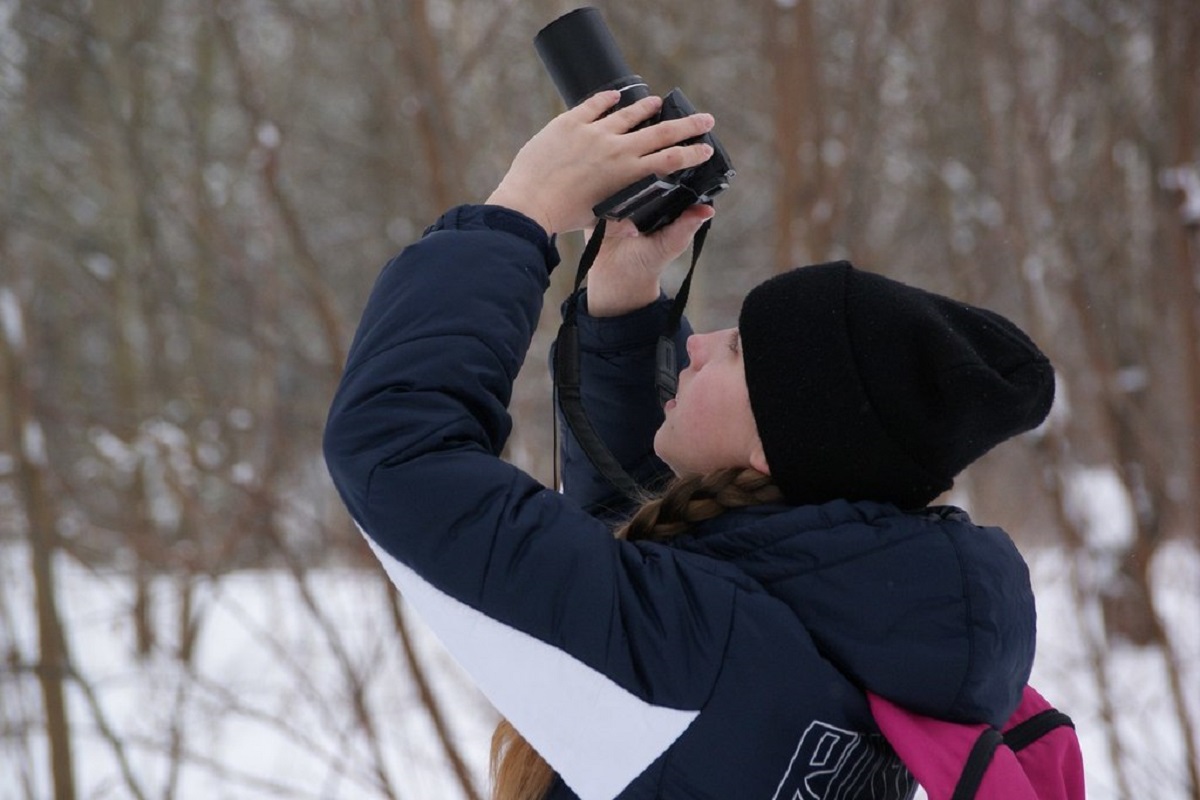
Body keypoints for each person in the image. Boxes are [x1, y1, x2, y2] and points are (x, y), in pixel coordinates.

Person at [323, 90, 1064, 800]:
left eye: (738, 351)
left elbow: (398, 452)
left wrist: (521, 212)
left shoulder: (702, 664)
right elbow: (666, 563)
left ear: (776, 453)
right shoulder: (859, 640)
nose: (700, 344)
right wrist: (624, 307)